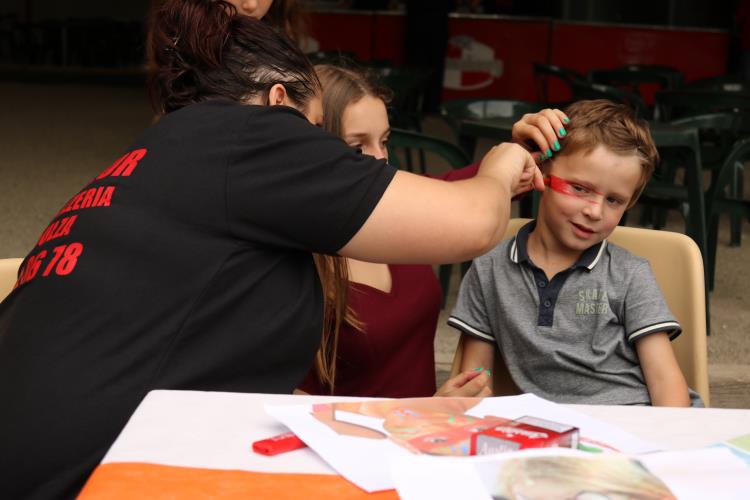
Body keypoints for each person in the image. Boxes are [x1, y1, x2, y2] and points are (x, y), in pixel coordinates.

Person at [0, 1, 544, 498]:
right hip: (79, 475)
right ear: (279, 101)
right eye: (316, 133)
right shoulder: (251, 135)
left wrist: (399, 415)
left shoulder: (157, 153)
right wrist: (497, 167)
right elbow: (473, 225)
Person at [297, 64, 569, 398]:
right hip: (358, 443)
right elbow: (288, 402)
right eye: (357, 147)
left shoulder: (402, 206)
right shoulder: (291, 257)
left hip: (425, 434)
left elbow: (476, 187)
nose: (380, 159)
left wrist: (525, 147)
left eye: (384, 141)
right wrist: (419, 414)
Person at [449, 99, 703, 407]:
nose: (595, 211)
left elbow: (665, 381)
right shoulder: (488, 270)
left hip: (638, 420)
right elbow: (476, 382)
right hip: (553, 432)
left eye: (614, 200)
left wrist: (668, 449)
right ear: (540, 171)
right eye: (580, 188)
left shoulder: (630, 274)